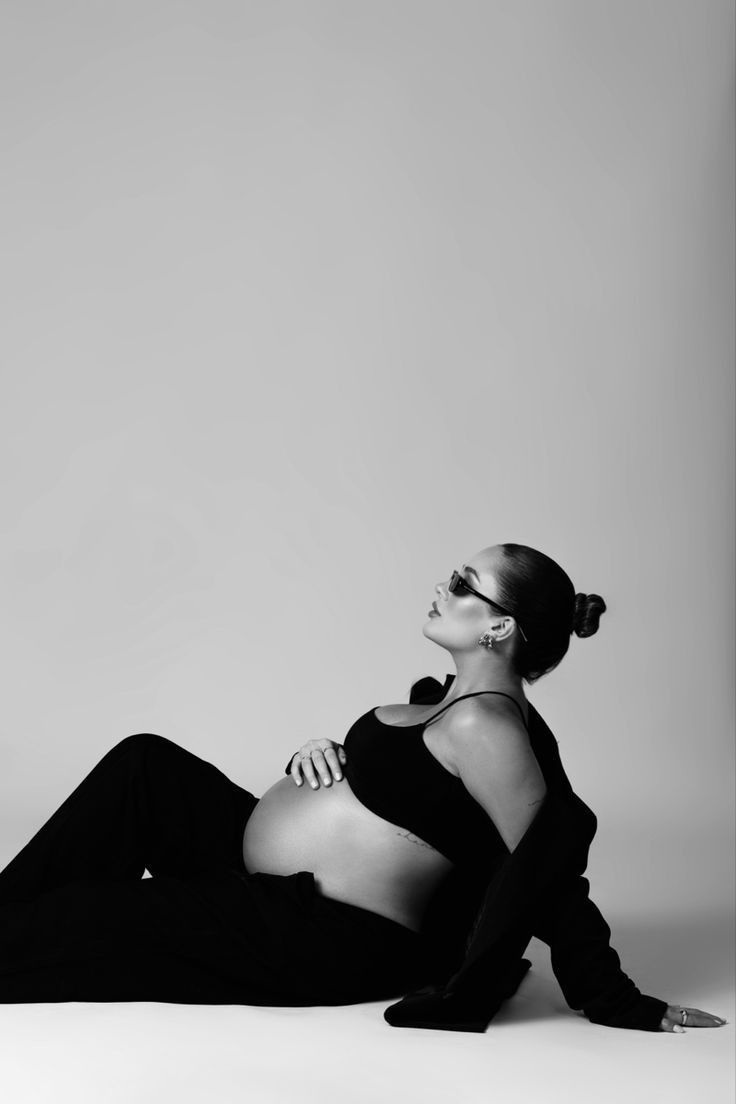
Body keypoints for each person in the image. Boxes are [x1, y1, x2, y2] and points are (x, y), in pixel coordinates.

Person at [0, 543, 726, 1035]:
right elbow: (414, 797)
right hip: (266, 879)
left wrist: (616, 999)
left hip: (314, 932)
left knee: (81, 920)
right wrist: (327, 755)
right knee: (144, 765)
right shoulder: (443, 703)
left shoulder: (489, 727)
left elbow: (548, 866)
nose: (443, 587)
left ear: (500, 627)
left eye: (465, 586)